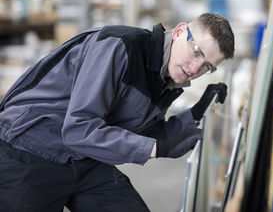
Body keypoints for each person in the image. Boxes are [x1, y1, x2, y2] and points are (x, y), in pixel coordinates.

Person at [0, 13, 235, 211]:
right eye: (196, 52)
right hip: (29, 150)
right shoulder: (121, 47)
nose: (196, 69)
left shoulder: (164, 77)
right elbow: (78, 129)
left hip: (82, 157)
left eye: (207, 66)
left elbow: (144, 132)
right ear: (179, 32)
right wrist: (158, 150)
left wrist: (195, 113)